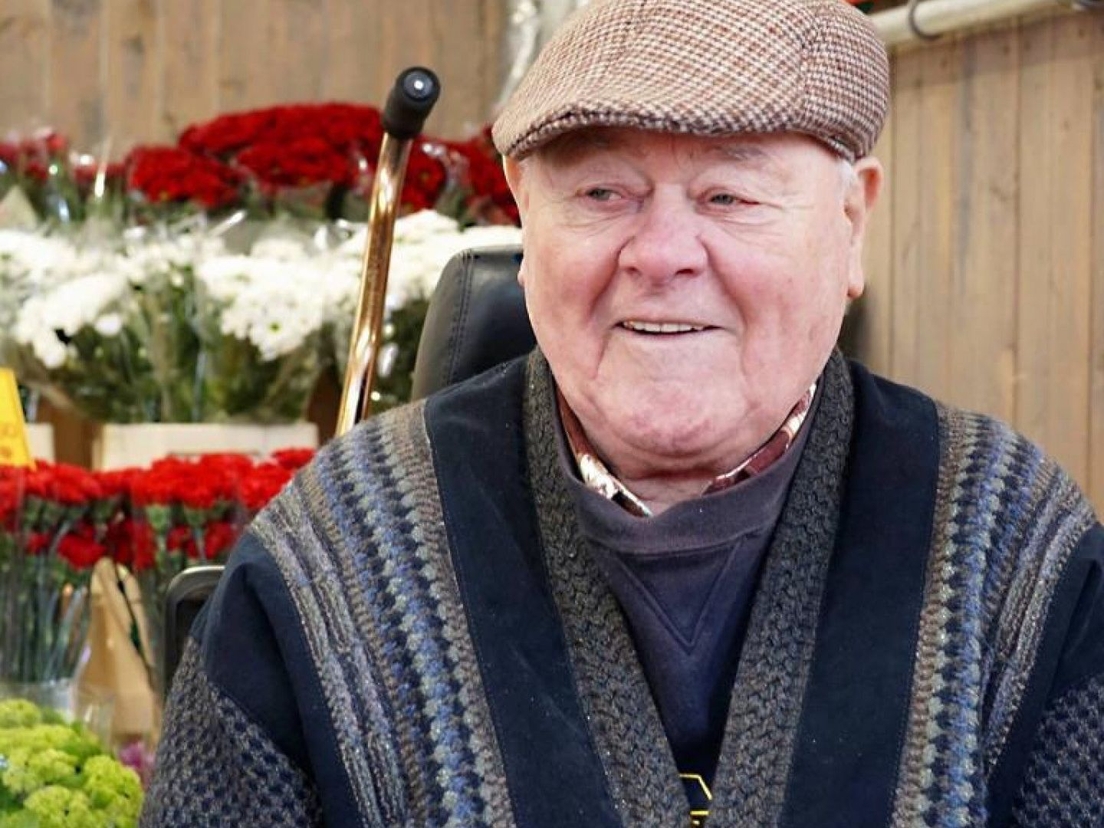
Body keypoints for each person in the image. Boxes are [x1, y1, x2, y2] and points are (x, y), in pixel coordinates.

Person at [142, 0, 1104, 825]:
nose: (661, 252)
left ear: (851, 223)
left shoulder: (1012, 550)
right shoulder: (338, 554)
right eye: (604, 192)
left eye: (728, 194)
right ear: (525, 222)